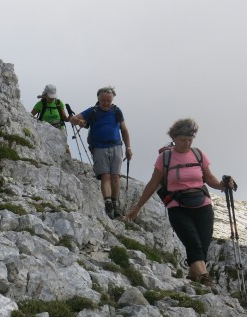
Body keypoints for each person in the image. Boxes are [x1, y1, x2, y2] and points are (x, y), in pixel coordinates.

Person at [126, 118, 235, 286]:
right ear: (174, 138)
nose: (187, 143)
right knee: (193, 243)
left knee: (203, 245)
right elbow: (153, 183)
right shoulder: (165, 158)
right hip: (177, 207)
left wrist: (224, 185)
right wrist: (138, 207)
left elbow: (210, 179)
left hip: (203, 205)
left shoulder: (198, 154)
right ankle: (205, 282)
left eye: (190, 140)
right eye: (183, 140)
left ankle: (193, 278)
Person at [69, 86, 132, 219]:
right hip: (99, 147)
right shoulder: (93, 111)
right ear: (98, 99)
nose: (106, 103)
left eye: (108, 100)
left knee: (115, 177)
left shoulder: (116, 111)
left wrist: (128, 148)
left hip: (116, 146)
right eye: (103, 100)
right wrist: (79, 121)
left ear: (112, 99)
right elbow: (72, 119)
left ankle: (114, 204)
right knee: (105, 176)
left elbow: (124, 130)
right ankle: (108, 202)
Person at [31, 84, 71, 155]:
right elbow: (30, 116)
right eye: (50, 96)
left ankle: (70, 162)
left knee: (65, 147)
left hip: (59, 128)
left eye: (53, 96)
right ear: (45, 95)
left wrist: (70, 117)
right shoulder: (40, 104)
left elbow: (64, 118)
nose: (52, 98)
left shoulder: (58, 103)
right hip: (45, 130)